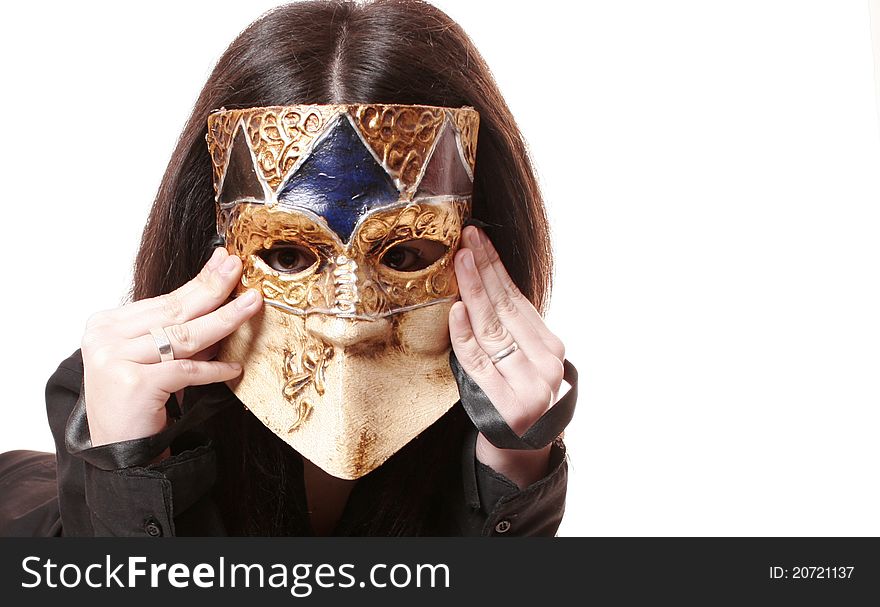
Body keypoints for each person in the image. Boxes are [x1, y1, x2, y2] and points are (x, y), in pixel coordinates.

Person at [0, 0, 577, 537]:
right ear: (210, 238)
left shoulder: (493, 428)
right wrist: (128, 469)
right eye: (288, 255)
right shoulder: (109, 397)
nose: (347, 322)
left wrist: (513, 467)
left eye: (400, 255)